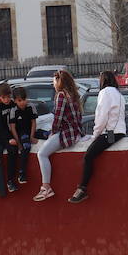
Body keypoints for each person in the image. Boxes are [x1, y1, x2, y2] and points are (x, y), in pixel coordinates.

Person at [69, 70, 125, 204]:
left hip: (110, 133)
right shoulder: (119, 94)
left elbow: (101, 116)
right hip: (119, 132)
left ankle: (82, 189)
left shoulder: (105, 93)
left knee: (88, 156)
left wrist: (95, 135)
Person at [34, 69, 84, 202]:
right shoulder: (73, 95)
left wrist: (52, 133)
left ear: (58, 81)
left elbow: (57, 118)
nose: (53, 85)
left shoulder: (61, 95)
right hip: (76, 132)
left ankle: (46, 187)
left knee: (42, 154)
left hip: (67, 133)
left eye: (54, 81)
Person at [0, 82, 19, 194]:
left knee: (14, 151)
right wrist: (8, 140)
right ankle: (8, 182)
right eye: (3, 97)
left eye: (8, 97)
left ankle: (11, 180)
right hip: (1, 135)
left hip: (12, 134)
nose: (6, 100)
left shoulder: (13, 105)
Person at [10, 86, 36, 187]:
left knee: (47, 135)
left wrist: (32, 136)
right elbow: (13, 128)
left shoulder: (31, 106)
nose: (22, 102)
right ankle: (22, 173)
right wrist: (19, 143)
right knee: (26, 146)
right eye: (20, 100)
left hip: (31, 131)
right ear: (15, 100)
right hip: (20, 133)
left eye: (24, 99)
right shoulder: (13, 110)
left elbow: (33, 122)